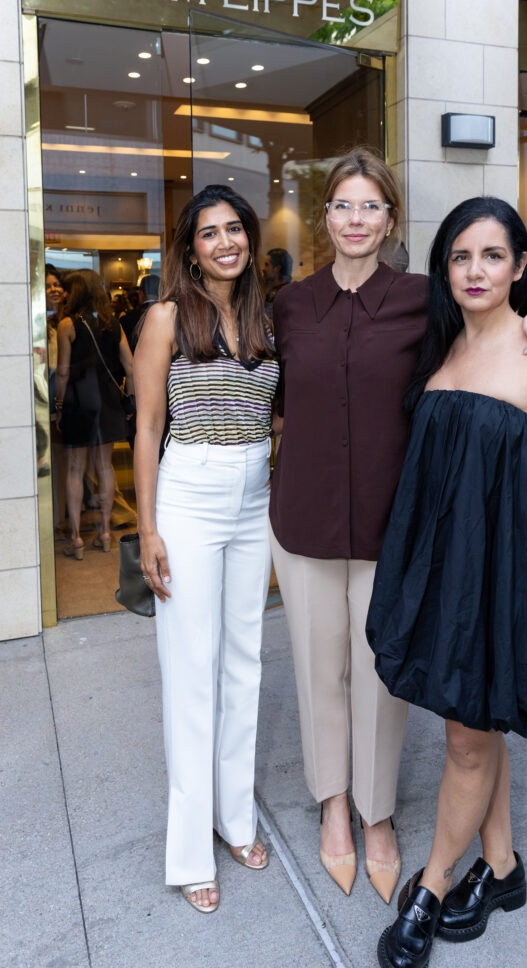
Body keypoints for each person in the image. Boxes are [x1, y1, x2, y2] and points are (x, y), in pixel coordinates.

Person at [269, 147, 527, 906]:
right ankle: (333, 809)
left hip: (396, 526)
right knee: (319, 676)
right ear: (326, 217)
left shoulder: (423, 299)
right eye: (342, 204)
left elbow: (492, 329)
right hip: (303, 517)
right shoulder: (289, 304)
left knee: (383, 679)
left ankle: (378, 816)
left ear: (391, 219)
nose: (355, 219)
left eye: (370, 205)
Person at [365, 197, 527, 968]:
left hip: (518, 571)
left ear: (520, 266)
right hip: (448, 568)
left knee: (468, 741)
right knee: (474, 716)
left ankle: (430, 890)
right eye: (461, 256)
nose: (475, 270)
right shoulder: (439, 350)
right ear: (444, 266)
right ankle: (500, 870)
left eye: (492, 255)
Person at [134, 184, 278, 914]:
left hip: (254, 495)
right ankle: (191, 851)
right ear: (189, 247)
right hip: (188, 494)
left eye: (234, 230)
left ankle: (236, 820)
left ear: (248, 238)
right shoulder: (165, 317)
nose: (225, 242)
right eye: (209, 233)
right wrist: (149, 530)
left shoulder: (263, 316)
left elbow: (273, 414)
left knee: (243, 664)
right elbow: (146, 427)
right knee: (191, 674)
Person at [55, 270, 134, 558]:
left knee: (76, 468)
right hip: (110, 404)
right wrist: (130, 402)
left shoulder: (67, 324)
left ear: (76, 292)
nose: (63, 293)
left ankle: (75, 538)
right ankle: (104, 532)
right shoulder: (112, 324)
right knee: (105, 466)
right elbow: (131, 365)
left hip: (79, 404)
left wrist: (59, 406)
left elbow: (63, 371)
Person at [262, 247, 292, 316]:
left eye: (267, 265)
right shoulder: (285, 292)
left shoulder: (280, 296)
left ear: (277, 269)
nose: (263, 269)